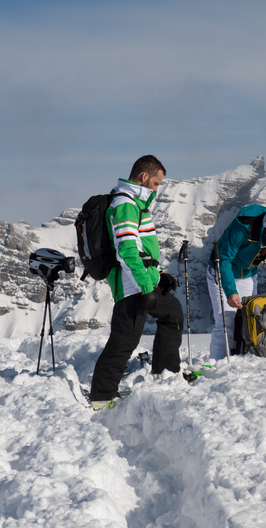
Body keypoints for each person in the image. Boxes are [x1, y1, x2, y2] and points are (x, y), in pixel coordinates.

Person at [89, 155, 184, 407]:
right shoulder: (125, 205)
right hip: (131, 286)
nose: (156, 189)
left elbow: (143, 248)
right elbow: (127, 251)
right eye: (155, 183)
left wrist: (160, 276)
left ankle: (165, 372)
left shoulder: (134, 203)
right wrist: (145, 287)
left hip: (143, 282)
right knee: (125, 340)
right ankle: (101, 394)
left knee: (172, 312)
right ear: (144, 177)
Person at [207, 201, 266, 359]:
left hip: (248, 275)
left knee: (249, 319)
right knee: (226, 323)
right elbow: (224, 259)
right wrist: (230, 292)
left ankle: (243, 360)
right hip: (221, 272)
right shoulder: (243, 227)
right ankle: (218, 363)